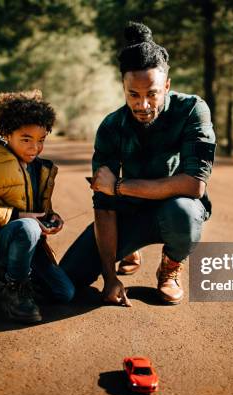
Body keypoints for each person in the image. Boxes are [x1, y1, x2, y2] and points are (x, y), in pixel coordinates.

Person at [60, 22, 216, 307]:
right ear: (123, 87)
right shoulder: (111, 127)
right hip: (128, 214)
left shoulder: (193, 110)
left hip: (172, 209)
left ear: (167, 85)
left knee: (183, 213)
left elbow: (194, 185)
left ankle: (169, 267)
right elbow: (104, 206)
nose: (143, 104)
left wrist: (118, 186)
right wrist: (108, 277)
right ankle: (128, 250)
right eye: (134, 94)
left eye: (152, 93)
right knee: (66, 279)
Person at [0, 90, 74, 323]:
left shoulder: (41, 168)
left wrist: (50, 218)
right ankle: (13, 289)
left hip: (27, 241)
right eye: (26, 139)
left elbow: (37, 211)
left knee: (65, 293)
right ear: (6, 133)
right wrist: (20, 217)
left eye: (41, 140)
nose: (35, 148)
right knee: (28, 228)